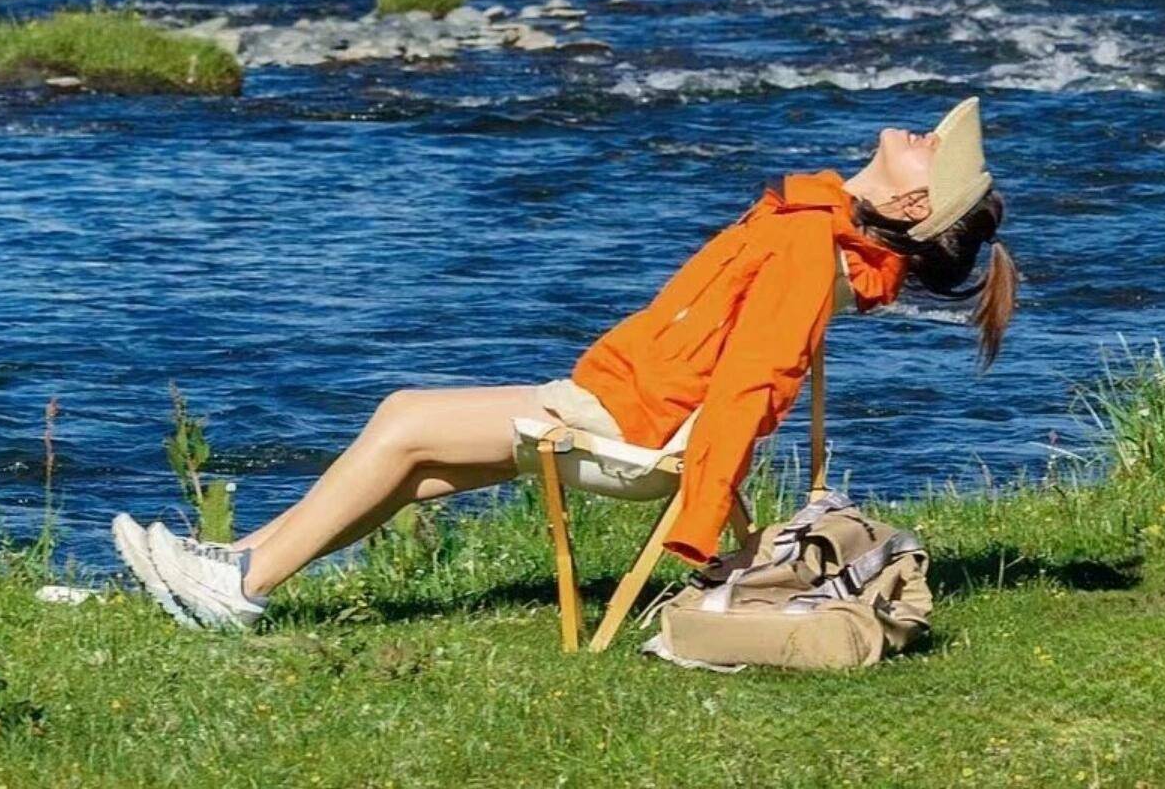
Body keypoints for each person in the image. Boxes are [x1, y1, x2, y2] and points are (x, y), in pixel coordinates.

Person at [111, 96, 1016, 633]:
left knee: (401, 417)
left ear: (907, 198)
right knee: (414, 465)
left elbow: (753, 384)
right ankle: (237, 562)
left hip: (626, 423)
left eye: (937, 152)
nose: (927, 135)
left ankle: (238, 587)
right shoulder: (816, 234)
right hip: (620, 398)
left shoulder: (808, 247)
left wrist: (699, 529)